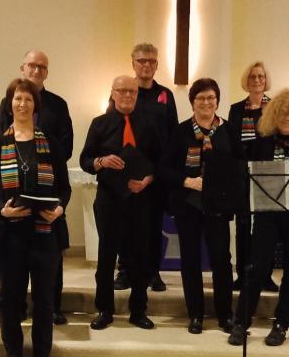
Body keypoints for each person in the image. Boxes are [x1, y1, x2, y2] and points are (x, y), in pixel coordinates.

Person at [0, 79, 69, 357]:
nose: (22, 104)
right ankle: (13, 355)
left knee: (44, 299)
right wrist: (0, 208)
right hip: (9, 234)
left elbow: (64, 188)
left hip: (45, 233)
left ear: (35, 106)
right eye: (17, 99)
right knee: (10, 298)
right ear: (10, 104)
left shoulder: (52, 144)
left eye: (28, 100)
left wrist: (59, 208)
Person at [228, 89, 289, 347]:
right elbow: (250, 174)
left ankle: (281, 324)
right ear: (274, 114)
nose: (288, 118)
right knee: (257, 269)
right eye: (283, 113)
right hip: (268, 215)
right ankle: (241, 322)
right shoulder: (263, 140)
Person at [0, 50, 74, 325]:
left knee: (51, 258)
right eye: (32, 65)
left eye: (42, 66)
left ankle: (52, 306)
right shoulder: (8, 102)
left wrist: (45, 164)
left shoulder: (58, 105)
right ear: (23, 67)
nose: (37, 70)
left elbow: (65, 145)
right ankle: (17, 309)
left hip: (47, 185)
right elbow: (1, 142)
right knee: (13, 272)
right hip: (14, 187)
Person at [80, 75, 162, 331]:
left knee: (140, 255)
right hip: (109, 200)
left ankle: (139, 310)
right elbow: (85, 160)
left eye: (133, 92)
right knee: (106, 257)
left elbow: (160, 161)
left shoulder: (149, 124)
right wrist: (102, 162)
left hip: (141, 199)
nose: (128, 96)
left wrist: (148, 179)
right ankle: (105, 309)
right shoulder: (100, 123)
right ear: (113, 93)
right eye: (122, 91)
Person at [160, 78, 241, 334]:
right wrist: (187, 181)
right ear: (192, 102)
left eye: (211, 98)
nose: (206, 102)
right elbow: (163, 169)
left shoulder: (229, 130)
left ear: (217, 101)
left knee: (221, 261)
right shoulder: (181, 131)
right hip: (189, 206)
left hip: (218, 207)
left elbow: (239, 168)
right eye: (200, 98)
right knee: (191, 261)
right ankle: (196, 314)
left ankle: (225, 315)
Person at [115, 43, 178, 292]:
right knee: (125, 225)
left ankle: (153, 272)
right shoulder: (125, 91)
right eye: (141, 61)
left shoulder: (165, 96)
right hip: (128, 173)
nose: (146, 65)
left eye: (151, 61)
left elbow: (173, 135)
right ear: (133, 63)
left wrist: (161, 170)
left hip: (156, 174)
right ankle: (125, 271)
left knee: (152, 226)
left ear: (157, 65)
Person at [226, 61, 278, 292]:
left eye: (261, 76)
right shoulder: (236, 109)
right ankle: (243, 273)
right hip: (242, 174)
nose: (257, 80)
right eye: (253, 77)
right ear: (246, 81)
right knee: (243, 225)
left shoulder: (275, 107)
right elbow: (232, 143)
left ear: (266, 80)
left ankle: (264, 274)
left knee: (266, 227)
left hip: (268, 174)